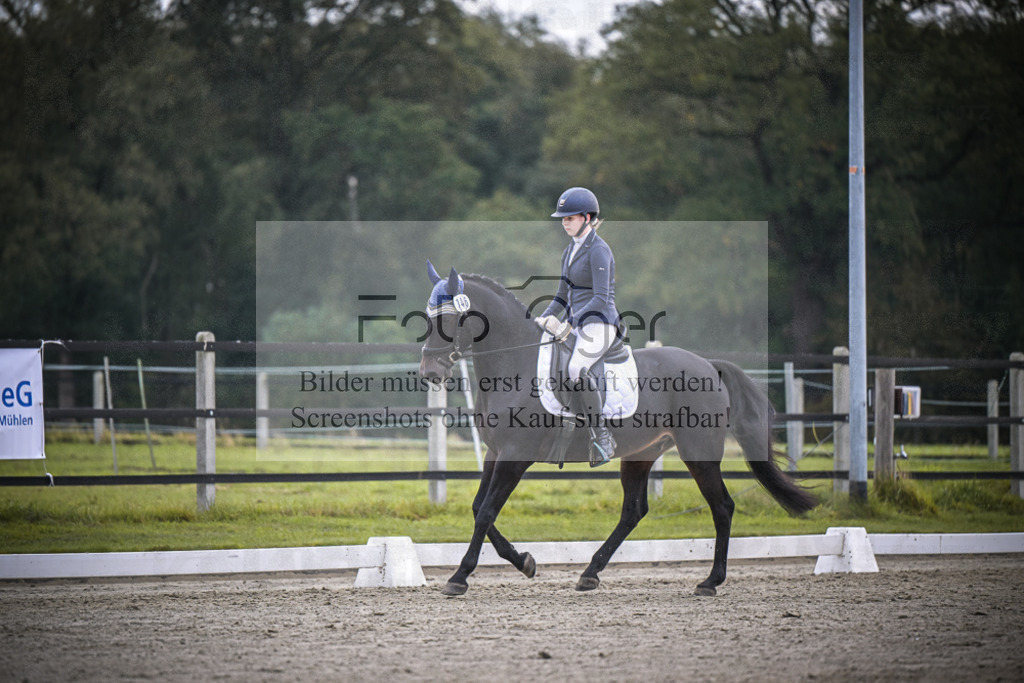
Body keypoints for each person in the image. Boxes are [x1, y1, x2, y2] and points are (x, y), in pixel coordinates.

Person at [534, 187, 620, 466]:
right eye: (562, 218)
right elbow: (561, 295)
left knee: (575, 368)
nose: (564, 222)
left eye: (569, 217)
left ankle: (602, 436)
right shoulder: (569, 251)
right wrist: (543, 318)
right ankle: (567, 424)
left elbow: (600, 297)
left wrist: (569, 323)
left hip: (601, 323)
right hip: (578, 324)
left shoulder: (599, 251)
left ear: (587, 217)